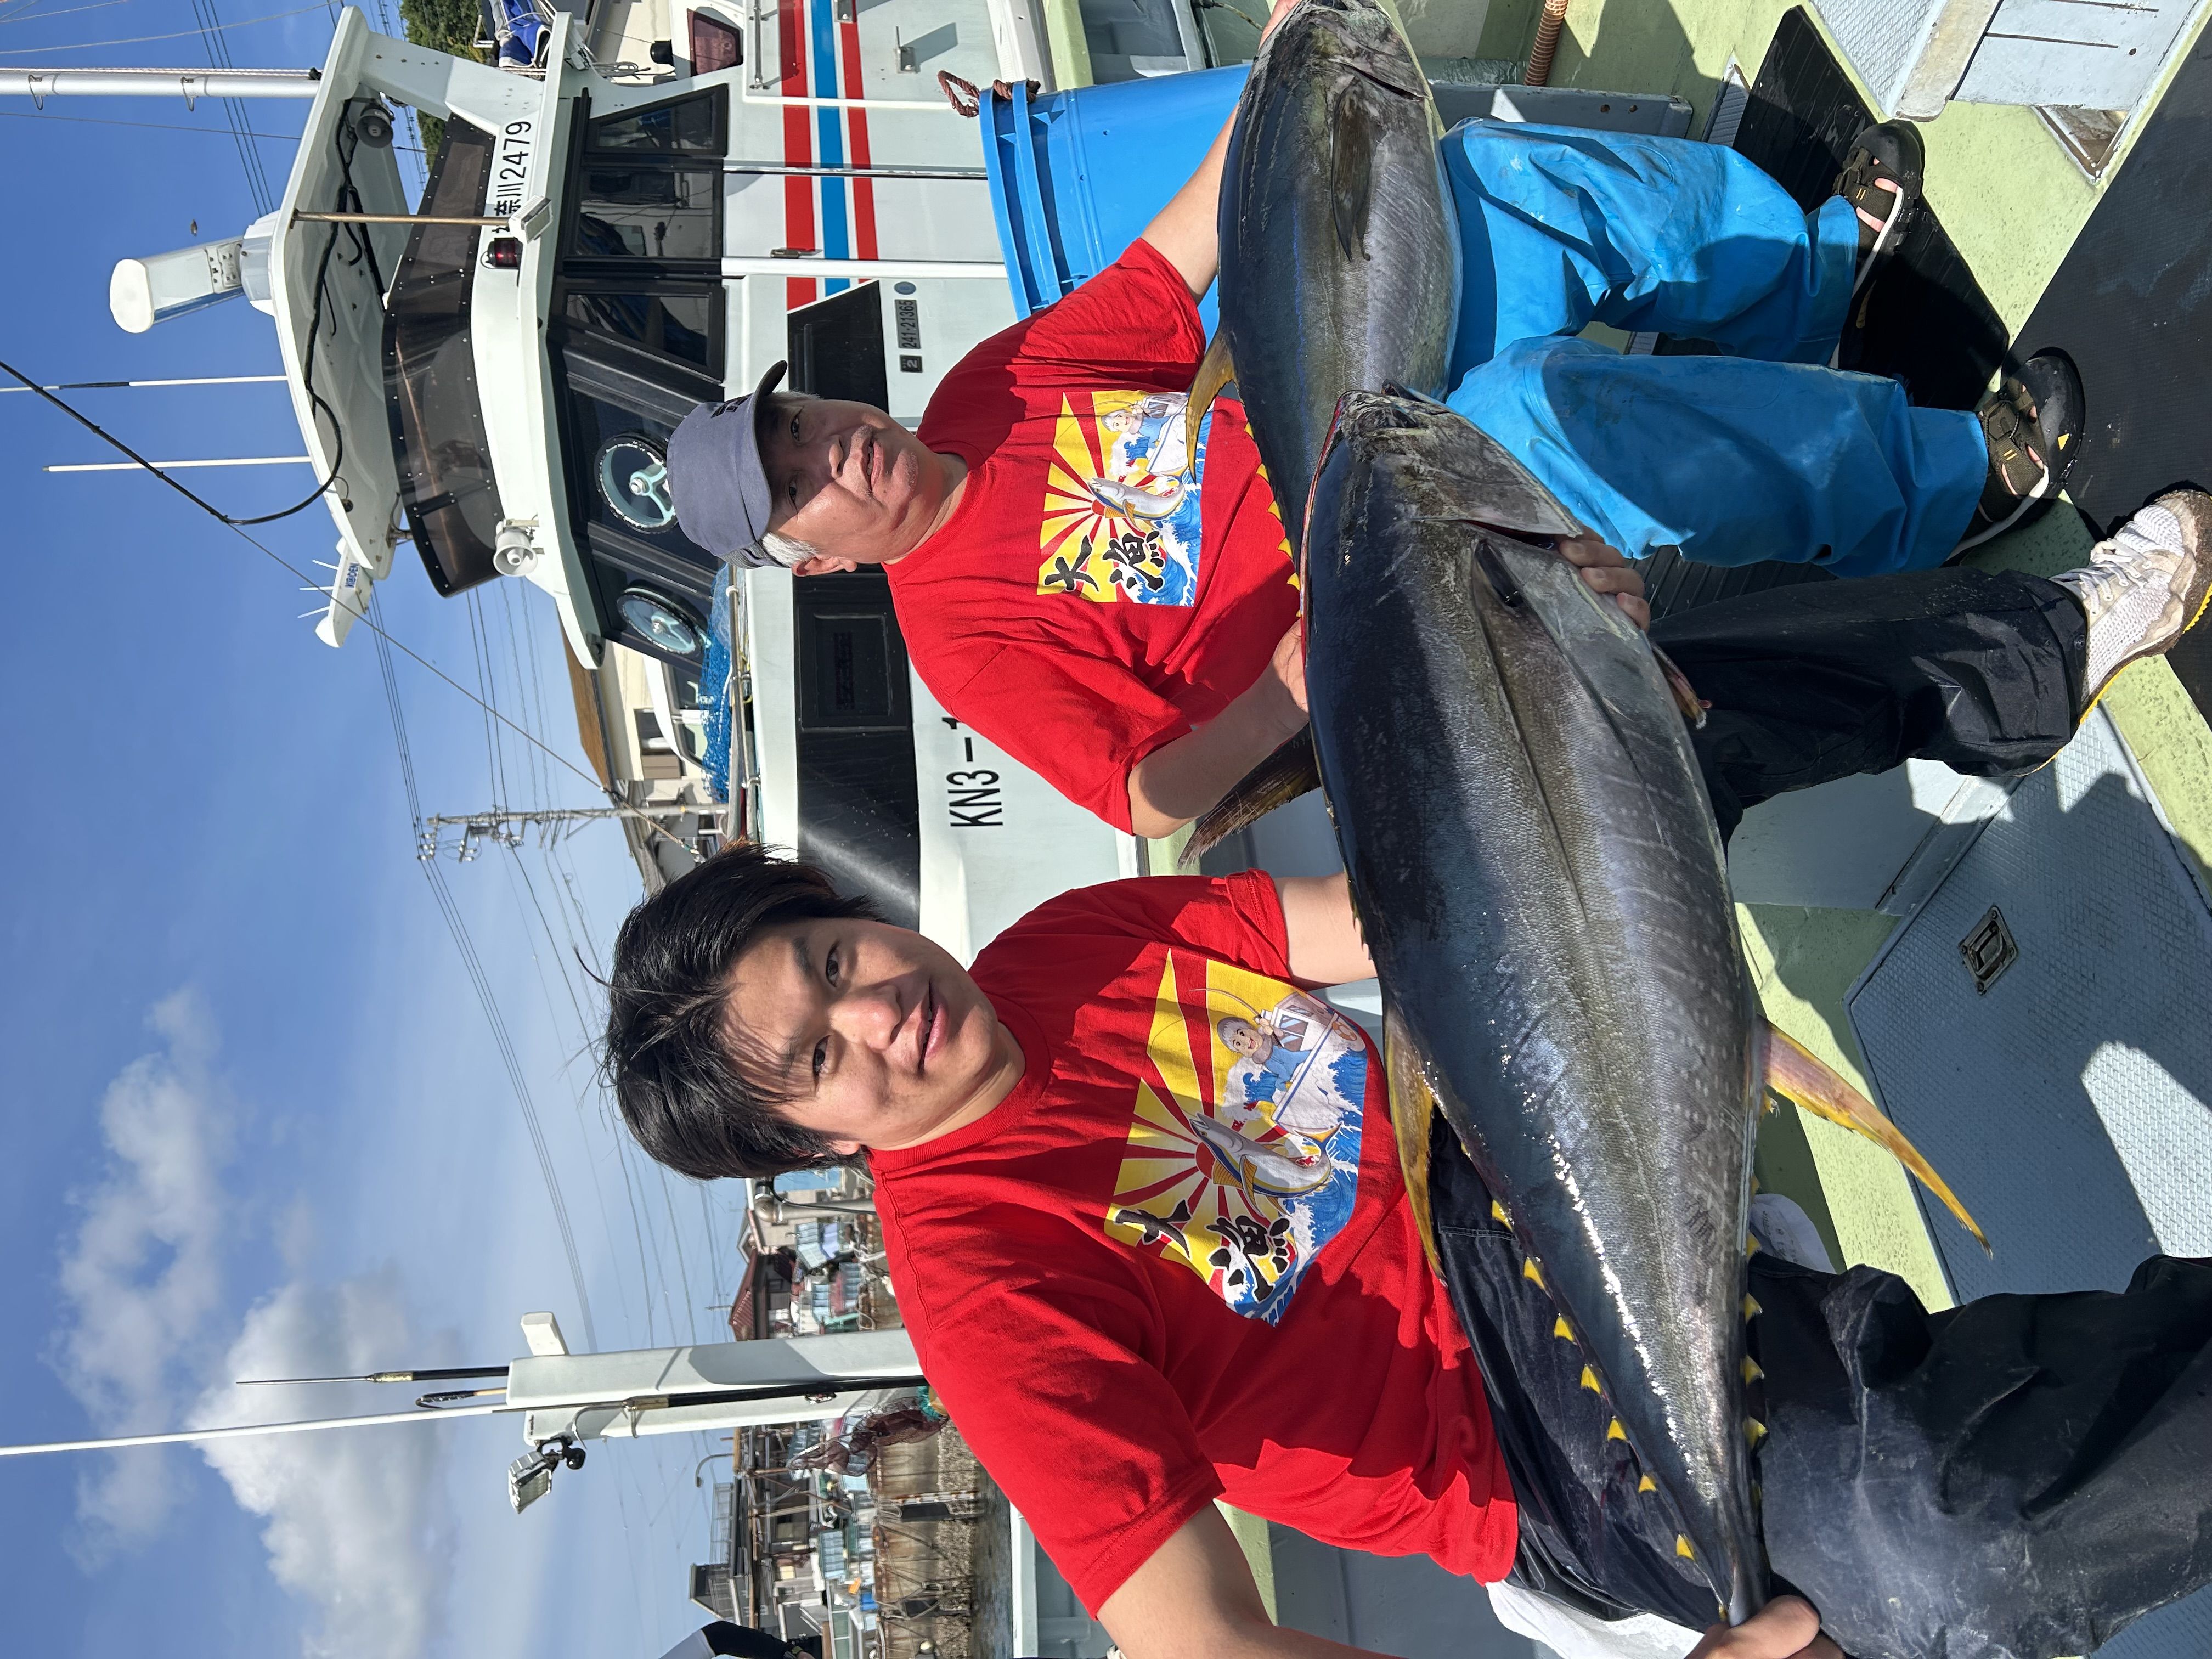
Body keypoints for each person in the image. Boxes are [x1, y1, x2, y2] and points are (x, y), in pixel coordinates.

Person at [602, 496, 2212, 1659]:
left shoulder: (1059, 950)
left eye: (834, 957)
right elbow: (1209, 1645)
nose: (882, 1009)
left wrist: (1568, 663)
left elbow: (1384, 917)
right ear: (810, 1141)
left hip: (1505, 1138)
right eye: (821, 1056)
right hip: (1527, 1442)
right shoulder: (984, 1299)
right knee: (1956, 1547)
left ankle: (2039, 645)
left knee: (1603, 717)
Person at [664, 0, 2080, 840]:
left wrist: (1287, 67)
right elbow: (1145, 800)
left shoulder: (990, 385)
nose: (825, 450)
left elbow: (1169, 262)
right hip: (1383, 582)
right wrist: (1283, 692)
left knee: (1476, 193)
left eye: (794, 424)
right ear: (821, 557)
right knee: (1533, 417)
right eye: (794, 488)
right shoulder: (963, 643)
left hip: (1352, 409)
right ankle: (1939, 491)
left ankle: (1804, 280)